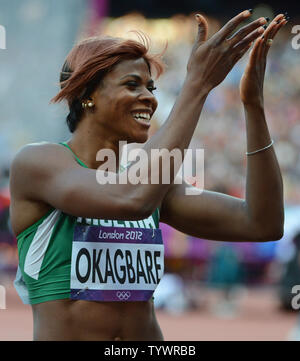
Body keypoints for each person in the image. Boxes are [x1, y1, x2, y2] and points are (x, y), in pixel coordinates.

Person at [9, 10, 286, 341]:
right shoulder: (38, 162)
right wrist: (197, 85)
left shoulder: (152, 185)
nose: (150, 98)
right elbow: (131, 199)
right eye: (132, 84)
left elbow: (262, 222)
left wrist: (253, 106)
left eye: (151, 87)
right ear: (88, 96)